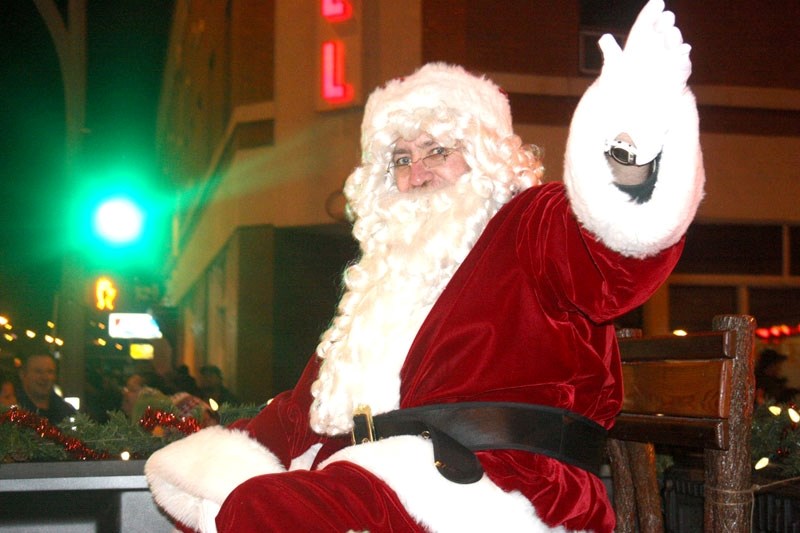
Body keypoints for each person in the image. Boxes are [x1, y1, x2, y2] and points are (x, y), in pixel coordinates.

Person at [146, 2, 704, 531]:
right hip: (386, 479)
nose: (416, 174)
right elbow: (301, 414)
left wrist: (631, 149)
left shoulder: (530, 223)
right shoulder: (381, 286)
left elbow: (612, 249)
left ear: (487, 157)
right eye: (402, 160)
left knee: (273, 512)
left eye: (437, 151)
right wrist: (202, 465)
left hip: (503, 490)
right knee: (245, 499)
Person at [16, 350, 77, 424]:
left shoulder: (66, 412)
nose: (45, 377)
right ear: (22, 374)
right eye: (38, 371)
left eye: (49, 372)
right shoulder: (12, 411)